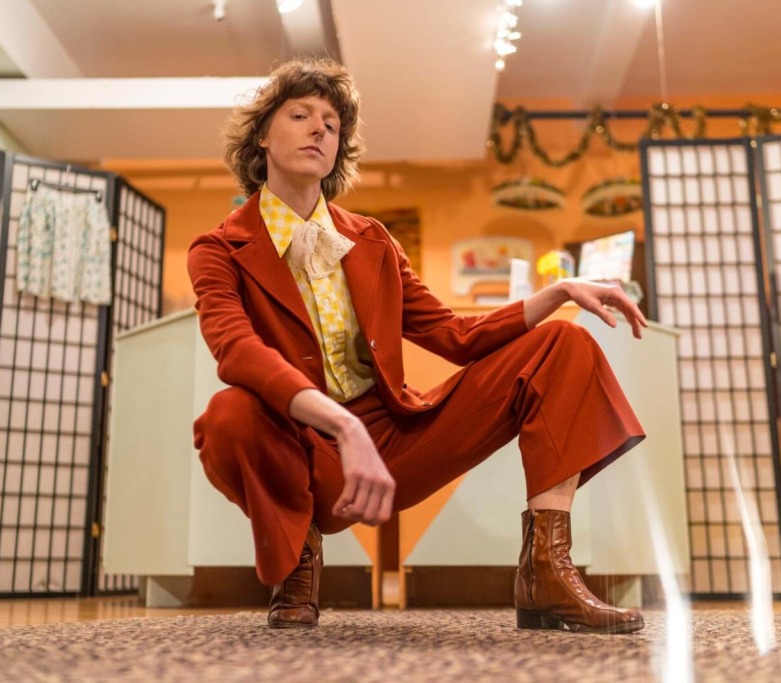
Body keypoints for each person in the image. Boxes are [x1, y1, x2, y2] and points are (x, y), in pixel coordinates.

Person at [187, 57, 648, 634]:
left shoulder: (372, 240)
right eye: (300, 115)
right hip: (299, 443)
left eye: (331, 123)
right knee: (228, 416)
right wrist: (341, 425)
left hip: (393, 439)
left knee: (562, 344)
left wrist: (557, 292)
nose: (318, 130)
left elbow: (454, 336)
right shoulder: (218, 249)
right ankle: (298, 558)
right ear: (262, 136)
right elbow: (236, 351)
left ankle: (546, 572)